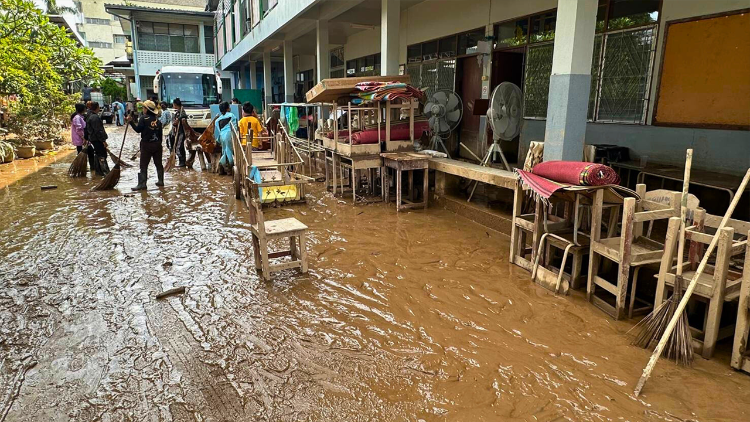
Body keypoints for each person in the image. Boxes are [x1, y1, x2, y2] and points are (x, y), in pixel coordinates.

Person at [127, 100, 164, 190]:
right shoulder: (158, 121)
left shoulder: (143, 119)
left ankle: (142, 184)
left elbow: (138, 130)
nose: (143, 109)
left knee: (143, 165)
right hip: (157, 145)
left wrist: (131, 122)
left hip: (146, 145)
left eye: (144, 108)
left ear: (147, 110)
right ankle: (161, 181)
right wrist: (158, 144)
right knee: (158, 164)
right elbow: (160, 136)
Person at [85, 101, 110, 176]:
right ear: (97, 108)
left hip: (93, 139)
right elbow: (98, 131)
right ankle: (105, 172)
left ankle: (98, 172)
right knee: (102, 155)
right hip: (97, 139)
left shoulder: (89, 116)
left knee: (98, 154)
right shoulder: (95, 117)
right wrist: (103, 141)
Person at [213, 101, 236, 175]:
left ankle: (223, 167)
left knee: (225, 151)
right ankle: (230, 168)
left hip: (222, 137)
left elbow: (218, 132)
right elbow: (235, 127)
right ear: (227, 108)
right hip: (229, 135)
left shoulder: (217, 120)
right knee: (229, 151)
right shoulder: (231, 115)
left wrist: (218, 140)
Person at [170, 98, 189, 167]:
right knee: (178, 147)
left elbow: (185, 116)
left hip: (182, 132)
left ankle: (182, 162)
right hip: (177, 132)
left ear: (175, 104)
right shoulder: (178, 112)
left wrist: (179, 119)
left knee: (179, 147)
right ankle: (181, 161)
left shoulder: (182, 111)